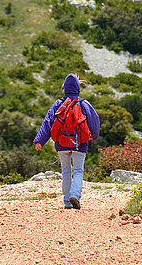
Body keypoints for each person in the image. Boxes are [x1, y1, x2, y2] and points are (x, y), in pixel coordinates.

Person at [33, 73, 100, 210]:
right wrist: (93, 135)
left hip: (61, 144)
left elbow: (47, 122)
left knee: (66, 171)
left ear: (65, 88)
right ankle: (75, 195)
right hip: (79, 143)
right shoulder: (84, 104)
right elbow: (95, 121)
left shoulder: (58, 104)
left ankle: (67, 202)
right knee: (78, 170)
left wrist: (40, 140)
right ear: (78, 88)